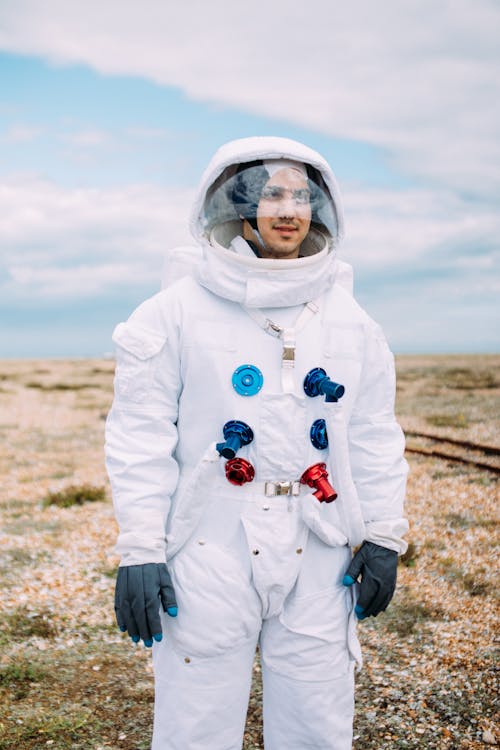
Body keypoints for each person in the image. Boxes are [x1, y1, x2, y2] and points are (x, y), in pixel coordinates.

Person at [105, 136, 409, 750]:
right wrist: (140, 547)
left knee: (317, 723)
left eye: (302, 196)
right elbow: (140, 434)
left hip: (320, 544)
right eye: (271, 194)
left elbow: (375, 435)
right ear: (237, 204)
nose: (289, 210)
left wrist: (383, 535)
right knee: (196, 722)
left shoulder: (350, 321)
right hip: (210, 540)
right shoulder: (174, 313)